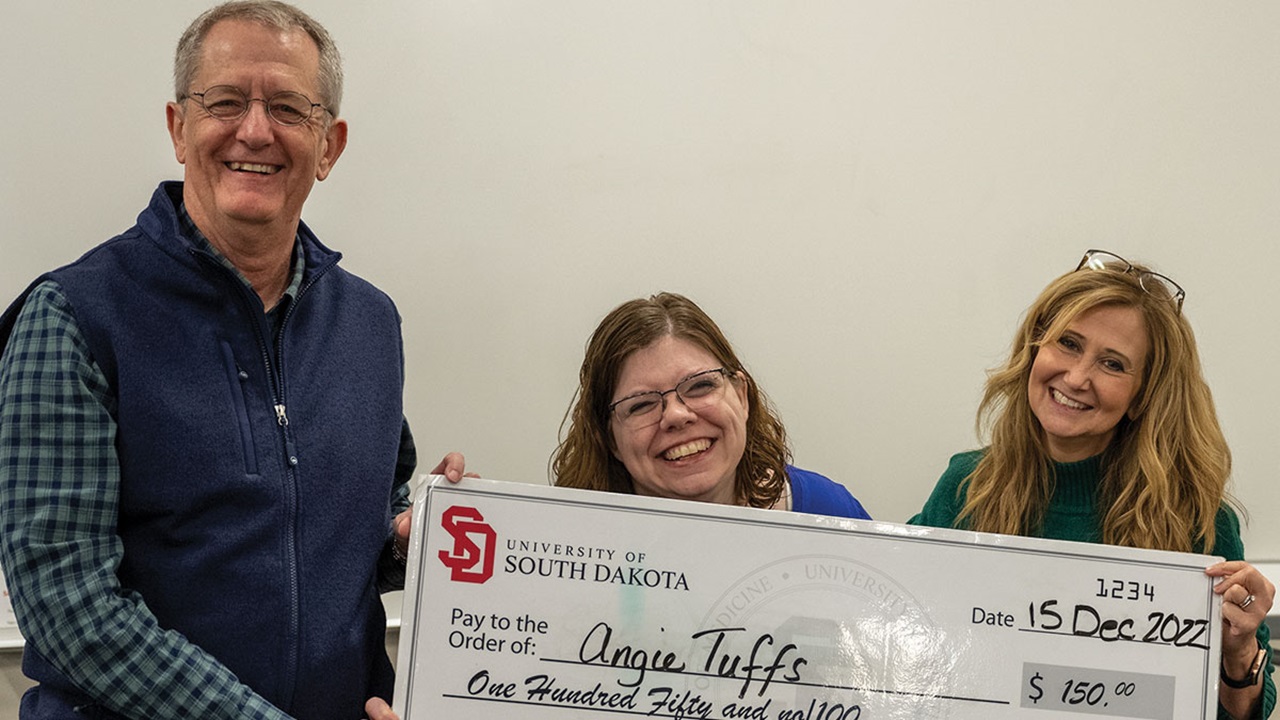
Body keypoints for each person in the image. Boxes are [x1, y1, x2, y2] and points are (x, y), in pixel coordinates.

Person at [0, 3, 461, 718]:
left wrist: (413, 534)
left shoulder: (370, 323)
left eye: (287, 107)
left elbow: (341, 535)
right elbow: (70, 608)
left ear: (329, 144)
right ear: (178, 127)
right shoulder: (72, 317)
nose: (255, 129)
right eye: (224, 101)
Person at [909, 249, 1274, 719]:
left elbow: (1242, 716)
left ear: (1144, 397)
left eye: (1114, 364)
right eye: (1068, 343)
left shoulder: (1196, 523)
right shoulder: (966, 486)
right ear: (1034, 348)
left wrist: (1238, 652)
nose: (1077, 377)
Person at [552, 292, 871, 518]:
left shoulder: (828, 512)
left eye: (701, 385)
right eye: (641, 405)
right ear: (610, 440)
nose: (676, 415)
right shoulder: (565, 549)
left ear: (742, 396)